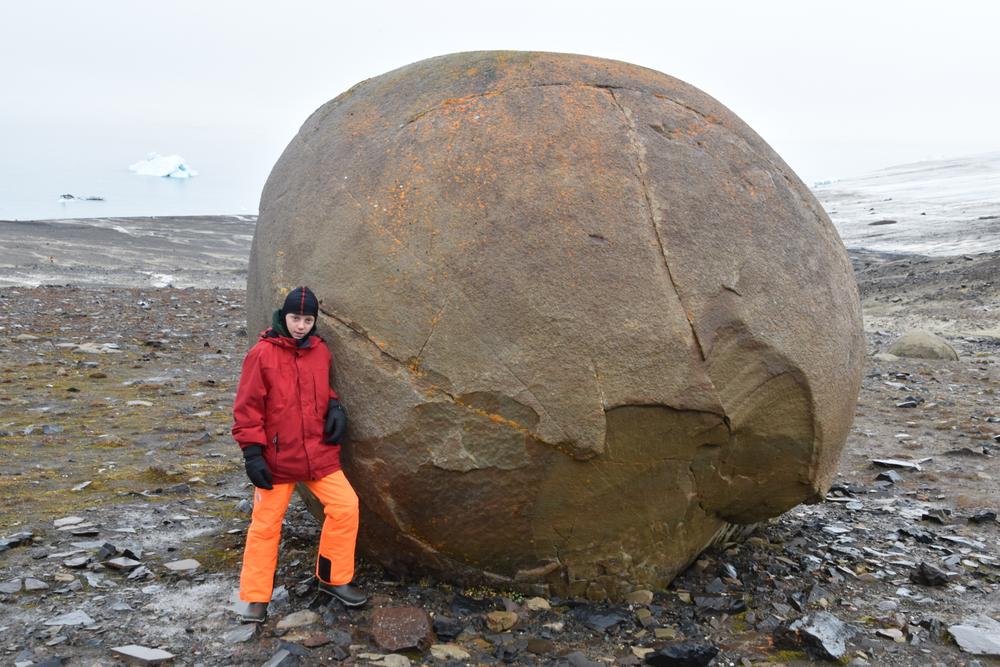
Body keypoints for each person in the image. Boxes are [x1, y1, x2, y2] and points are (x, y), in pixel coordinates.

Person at [231, 286, 366, 623]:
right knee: (265, 525)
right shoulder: (261, 354)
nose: (301, 325)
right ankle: (256, 598)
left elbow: (322, 389)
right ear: (283, 316)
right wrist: (252, 454)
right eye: (295, 318)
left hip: (318, 454)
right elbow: (246, 408)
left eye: (308, 319)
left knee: (346, 506)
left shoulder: (320, 351)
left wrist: (335, 406)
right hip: (276, 459)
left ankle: (333, 578)